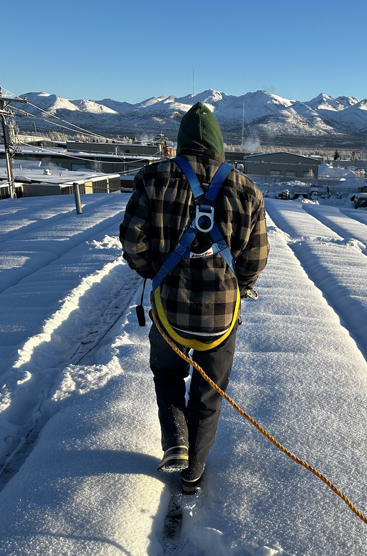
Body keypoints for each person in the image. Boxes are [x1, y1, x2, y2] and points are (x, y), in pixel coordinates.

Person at [120, 103, 269, 494]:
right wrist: (240, 283)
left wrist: (152, 270)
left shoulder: (153, 177)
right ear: (219, 144)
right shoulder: (247, 189)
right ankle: (194, 473)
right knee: (208, 394)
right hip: (221, 319)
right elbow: (256, 258)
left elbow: (131, 239)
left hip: (169, 309)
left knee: (168, 374)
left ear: (182, 141)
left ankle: (176, 442)